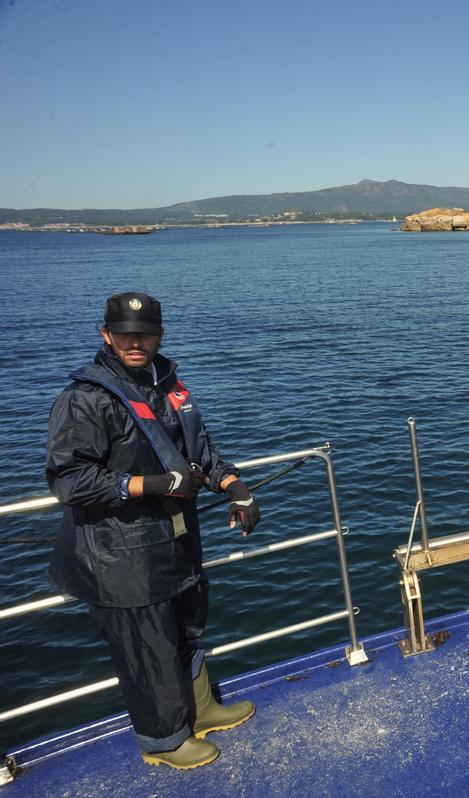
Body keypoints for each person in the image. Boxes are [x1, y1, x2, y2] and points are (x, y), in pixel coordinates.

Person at [45, 292, 262, 770]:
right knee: (147, 646)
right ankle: (163, 742)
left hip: (177, 541)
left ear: (160, 335)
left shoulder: (168, 383)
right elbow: (69, 480)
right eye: (125, 333)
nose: (135, 341)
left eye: (144, 333)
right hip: (121, 553)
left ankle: (200, 711)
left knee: (186, 629)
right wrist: (152, 483)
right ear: (107, 335)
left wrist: (233, 484)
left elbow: (198, 448)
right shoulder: (85, 398)